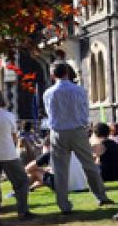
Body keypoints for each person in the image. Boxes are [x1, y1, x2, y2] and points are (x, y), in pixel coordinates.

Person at [43, 62, 113, 213]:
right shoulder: (79, 90)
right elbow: (84, 111)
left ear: (53, 75)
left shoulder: (48, 93)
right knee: (89, 165)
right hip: (77, 131)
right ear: (67, 73)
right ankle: (101, 196)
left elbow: (49, 113)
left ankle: (63, 205)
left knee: (60, 171)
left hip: (58, 132)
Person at [0, 89, 33, 226]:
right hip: (8, 153)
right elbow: (14, 136)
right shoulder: (9, 115)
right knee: (21, 181)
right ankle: (22, 211)